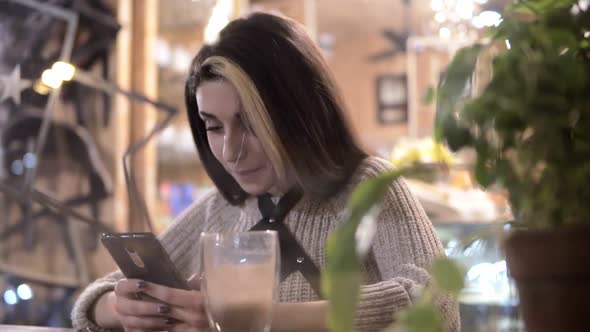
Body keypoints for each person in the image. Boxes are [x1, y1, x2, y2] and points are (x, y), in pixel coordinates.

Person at [71, 12, 459, 332]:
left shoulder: (368, 187)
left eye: (251, 124)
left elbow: (437, 305)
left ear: (301, 114)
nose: (229, 151)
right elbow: (92, 300)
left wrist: (250, 320)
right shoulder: (221, 209)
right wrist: (121, 308)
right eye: (214, 126)